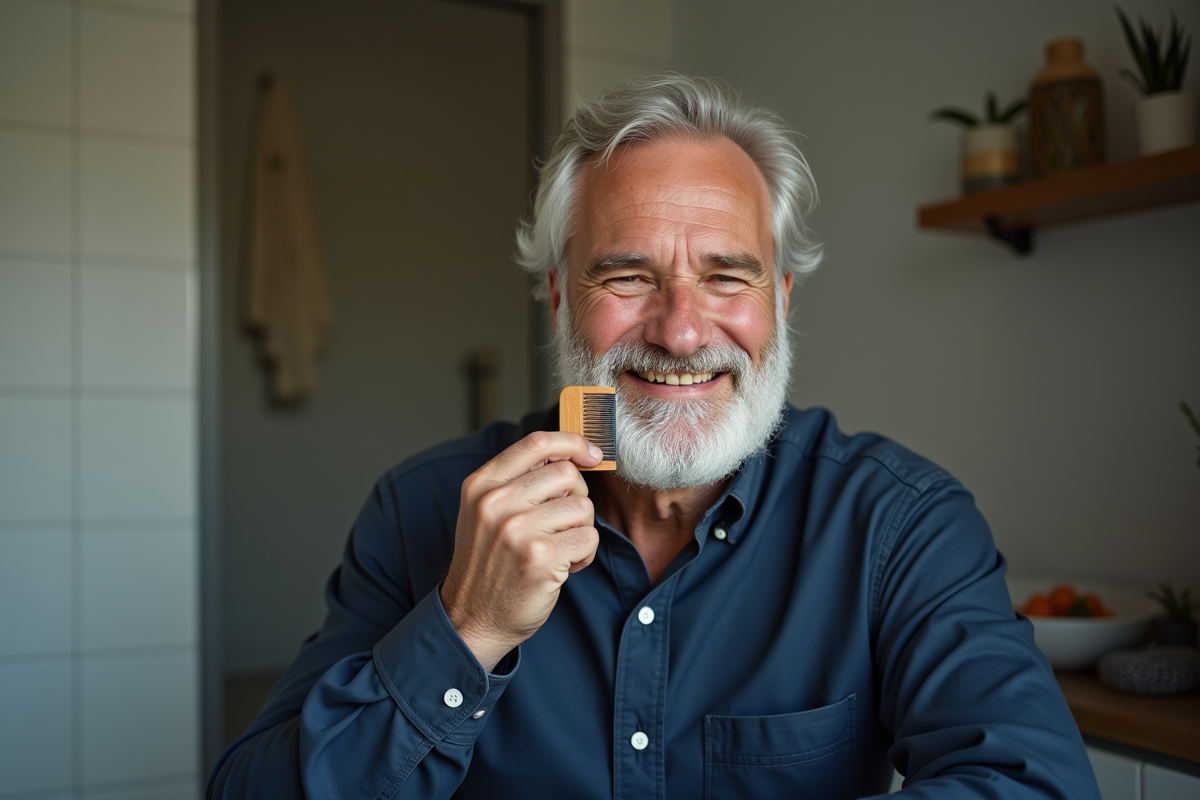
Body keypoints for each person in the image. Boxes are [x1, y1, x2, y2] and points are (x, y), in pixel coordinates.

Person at [208, 73, 1100, 799]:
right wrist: (464, 629)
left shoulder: (900, 524)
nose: (680, 332)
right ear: (559, 299)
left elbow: (1034, 785)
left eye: (726, 277)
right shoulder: (420, 509)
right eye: (628, 276)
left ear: (781, 301)